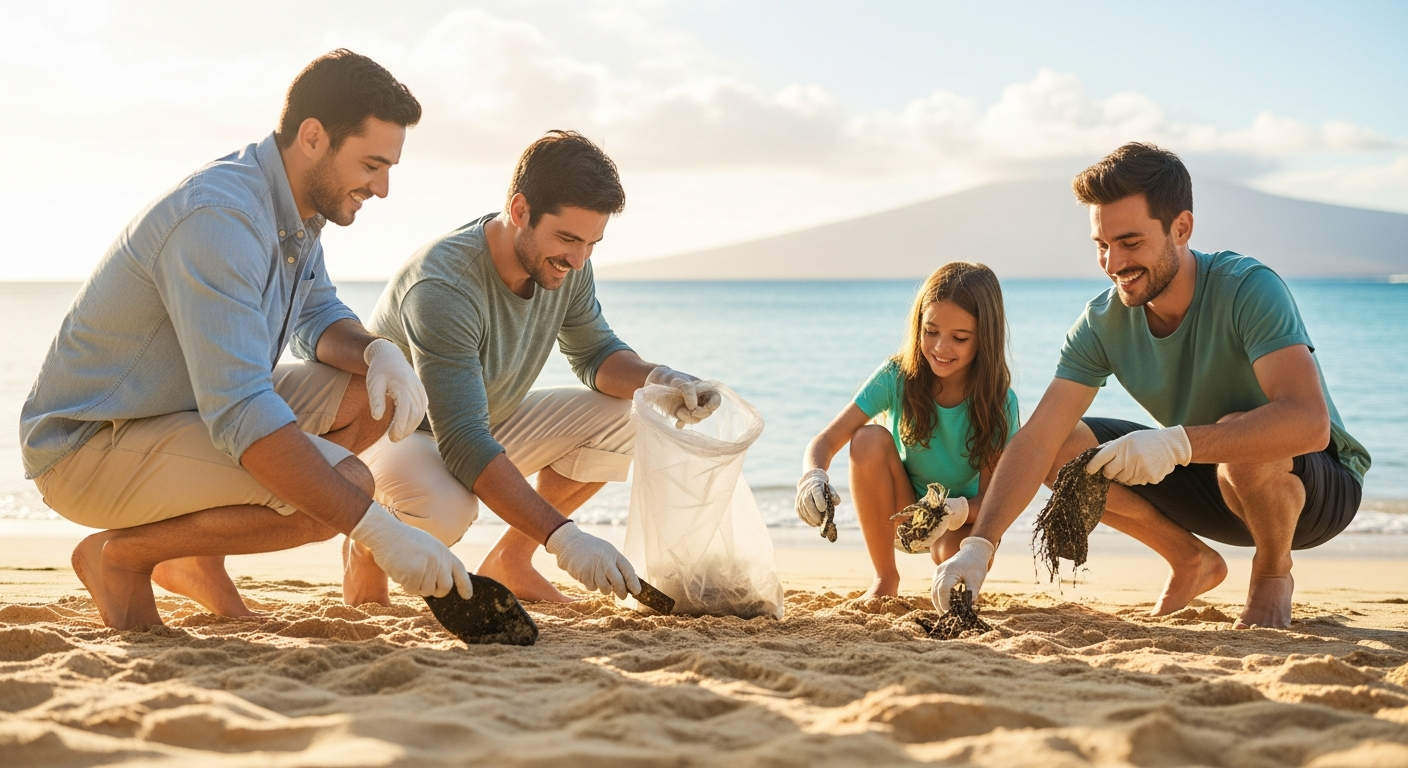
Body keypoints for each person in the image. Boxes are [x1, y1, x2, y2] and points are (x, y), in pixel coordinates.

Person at [19, 50, 472, 630]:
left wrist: (378, 352)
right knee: (345, 489)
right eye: (372, 165)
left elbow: (318, 314)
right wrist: (378, 530)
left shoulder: (295, 209)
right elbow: (238, 408)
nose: (381, 188)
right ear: (313, 137)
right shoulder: (220, 219)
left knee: (365, 392)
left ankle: (195, 556)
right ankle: (123, 556)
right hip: (89, 445)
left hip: (179, 412)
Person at [933, 143, 1369, 629]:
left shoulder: (1248, 288)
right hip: (1215, 482)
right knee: (1065, 448)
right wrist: (979, 548)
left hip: (1314, 490)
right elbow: (1036, 440)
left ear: (1180, 229)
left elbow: (1311, 425)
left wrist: (1175, 442)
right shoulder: (1102, 322)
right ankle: (1190, 560)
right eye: (1101, 244)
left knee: (1241, 437)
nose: (1112, 261)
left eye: (1130, 242)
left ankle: (1272, 573)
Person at [354, 130, 721, 605]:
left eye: (592, 242)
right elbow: (463, 443)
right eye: (567, 238)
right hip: (398, 434)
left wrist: (664, 381)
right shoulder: (443, 286)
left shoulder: (568, 263)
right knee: (443, 515)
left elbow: (595, 354)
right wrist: (564, 538)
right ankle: (365, 547)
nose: (578, 258)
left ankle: (511, 560)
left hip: (482, 419)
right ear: (520, 210)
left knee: (634, 411)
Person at [794, 263, 1020, 599]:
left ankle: (954, 573)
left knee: (949, 556)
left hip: (963, 522)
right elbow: (827, 440)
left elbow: (995, 500)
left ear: (984, 339)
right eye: (931, 332)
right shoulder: (897, 375)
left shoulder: (998, 402)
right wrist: (813, 476)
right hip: (904, 514)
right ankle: (885, 579)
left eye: (959, 338)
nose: (941, 348)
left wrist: (954, 510)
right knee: (867, 438)